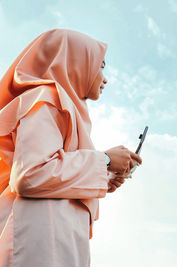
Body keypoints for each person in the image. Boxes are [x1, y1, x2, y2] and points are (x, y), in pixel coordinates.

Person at [0, 29, 142, 266]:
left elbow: (49, 171)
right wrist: (104, 160)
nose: (104, 77)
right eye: (100, 65)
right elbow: (30, 175)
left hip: (53, 238)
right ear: (75, 63)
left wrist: (104, 178)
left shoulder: (63, 107)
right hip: (39, 239)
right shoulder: (45, 98)